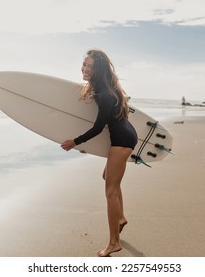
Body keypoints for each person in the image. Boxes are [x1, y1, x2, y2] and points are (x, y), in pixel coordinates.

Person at [61, 49, 138, 257]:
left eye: (90, 67)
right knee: (108, 177)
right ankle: (120, 218)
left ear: (98, 70)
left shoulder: (104, 94)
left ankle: (114, 243)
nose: (85, 69)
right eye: (84, 64)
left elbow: (98, 127)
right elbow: (108, 125)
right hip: (125, 135)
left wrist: (74, 142)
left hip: (122, 141)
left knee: (110, 191)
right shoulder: (106, 88)